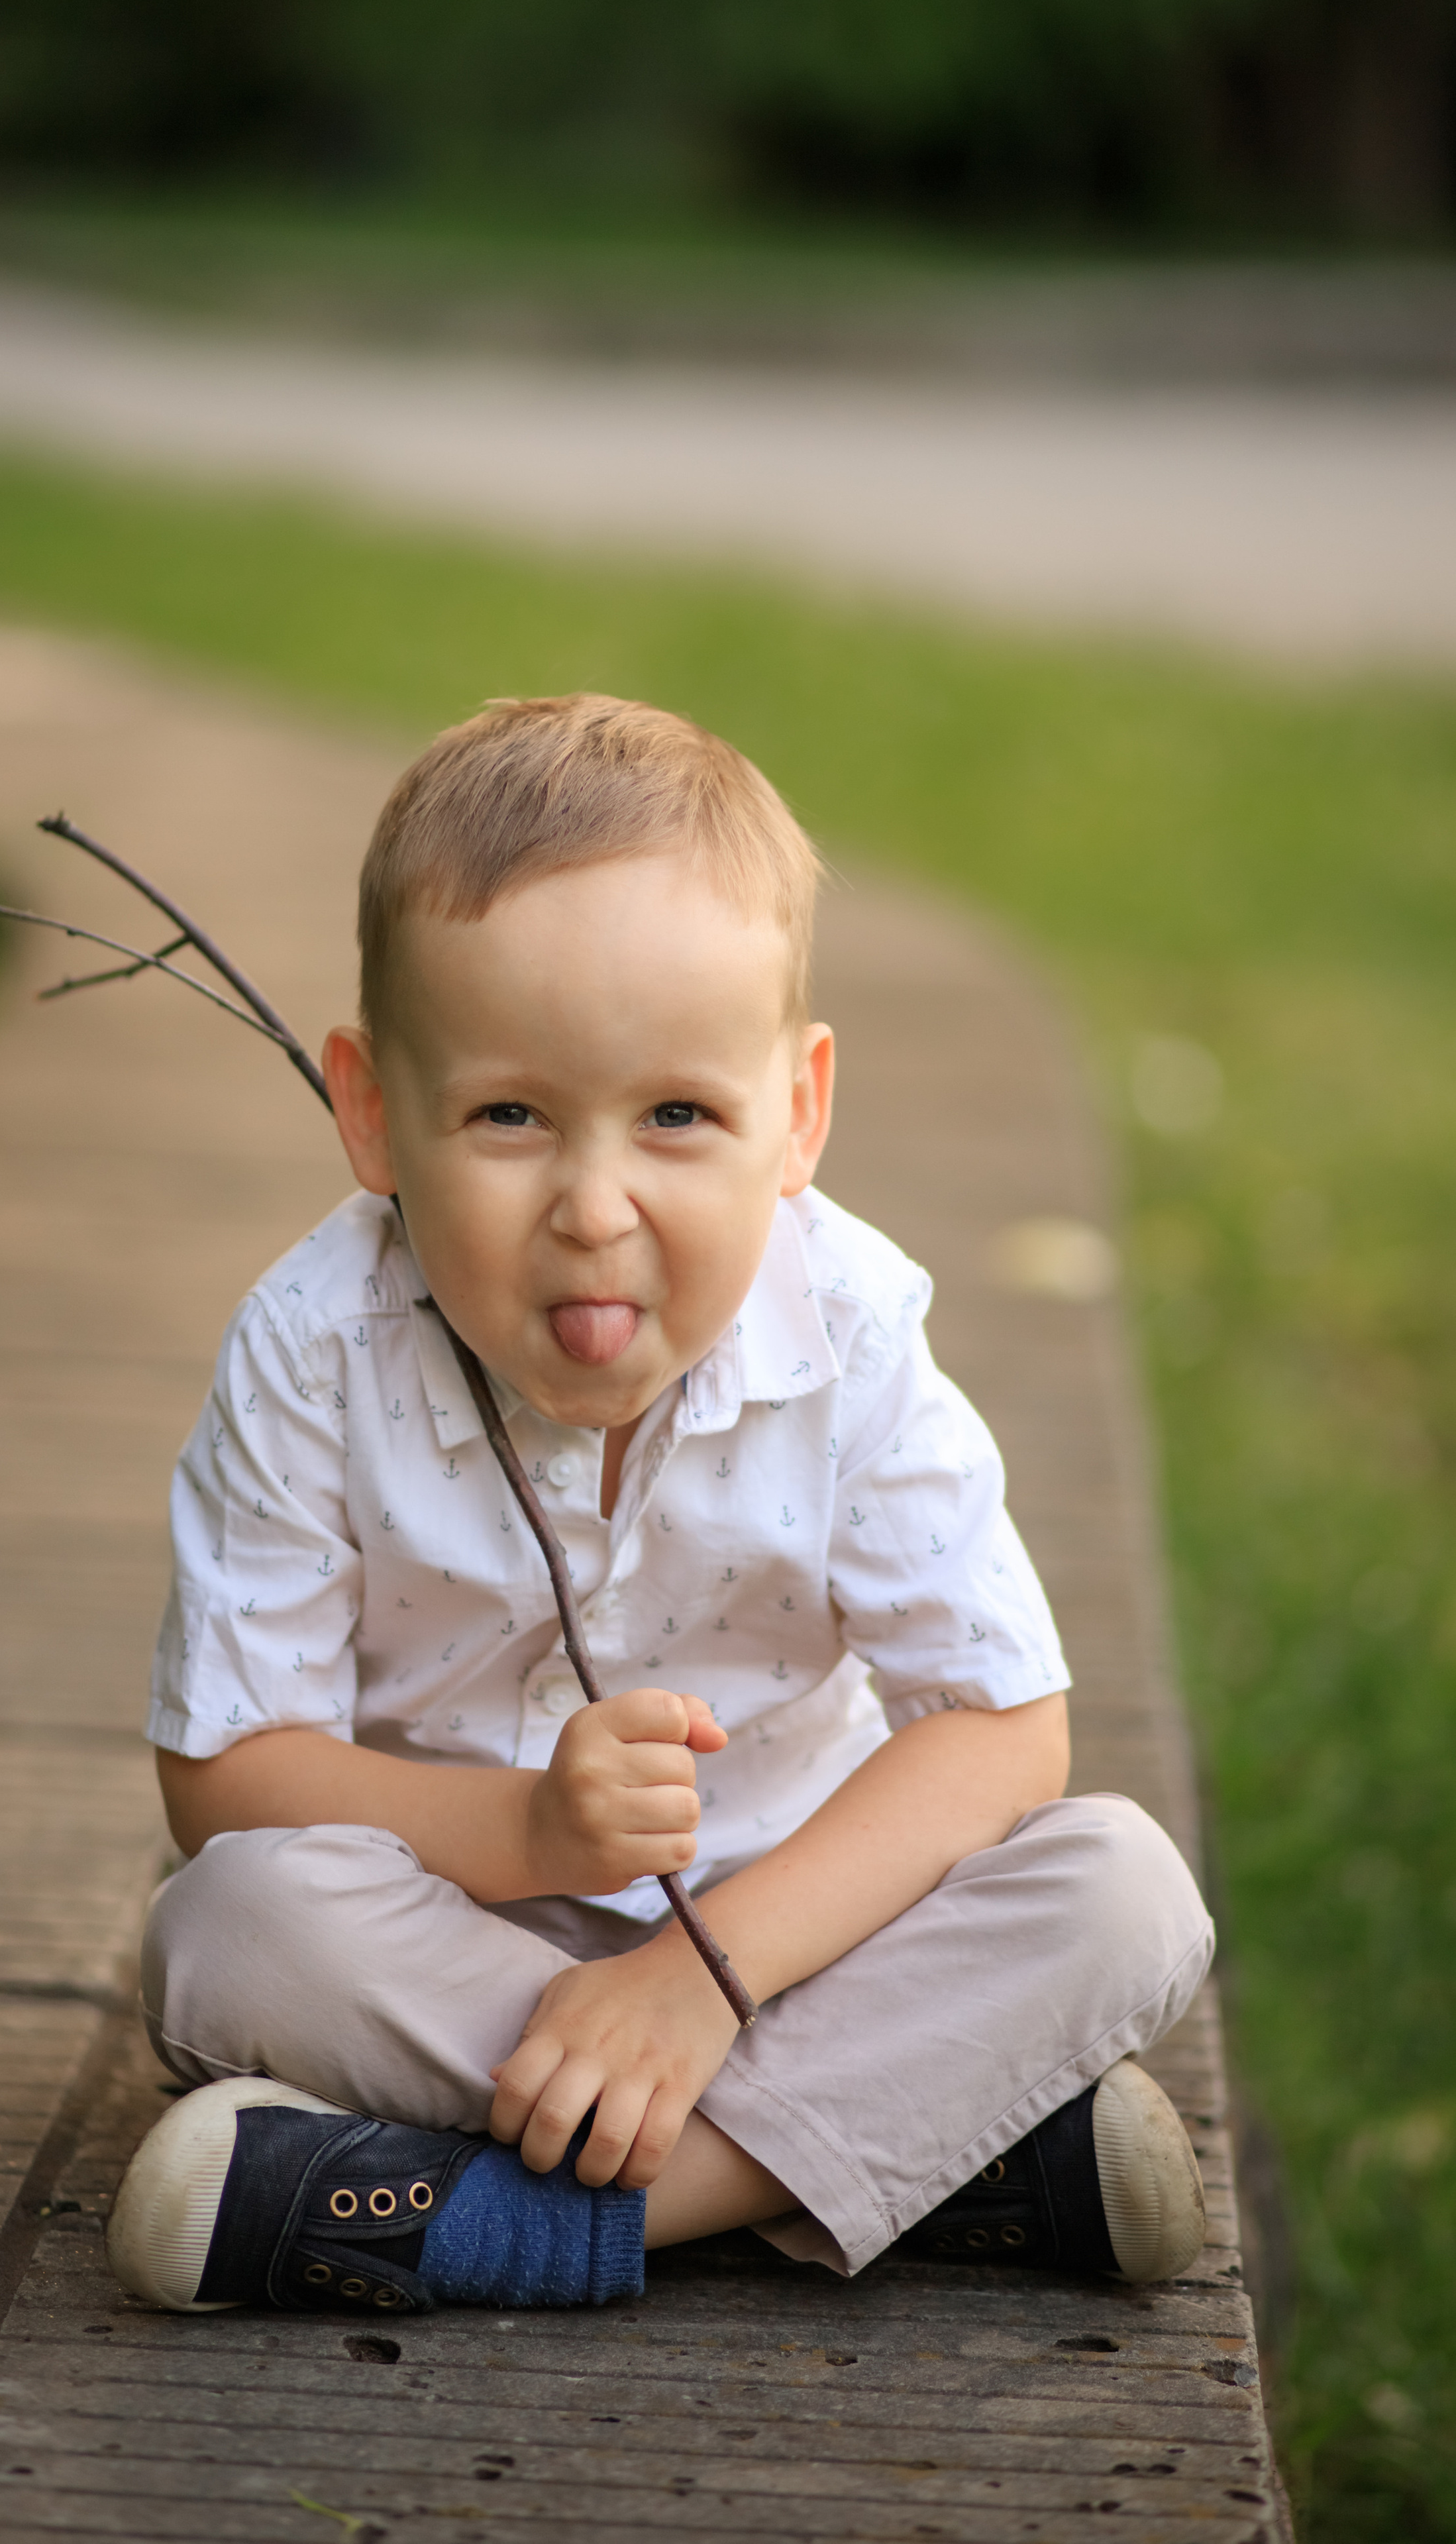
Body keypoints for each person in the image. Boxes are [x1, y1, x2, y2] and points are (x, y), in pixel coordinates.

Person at [107, 694, 1213, 2321]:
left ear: (800, 1114)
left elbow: (996, 1733)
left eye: (677, 1116)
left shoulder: (846, 1335)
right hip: (454, 1949)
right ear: (369, 1113)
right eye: (507, 1116)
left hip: (788, 1950)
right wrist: (530, 1834)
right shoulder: (311, 1348)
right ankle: (941, 2165)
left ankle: (501, 2218)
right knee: (228, 1931)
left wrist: (700, 1980)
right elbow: (224, 1774)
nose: (596, 1206)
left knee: (1121, 1890)